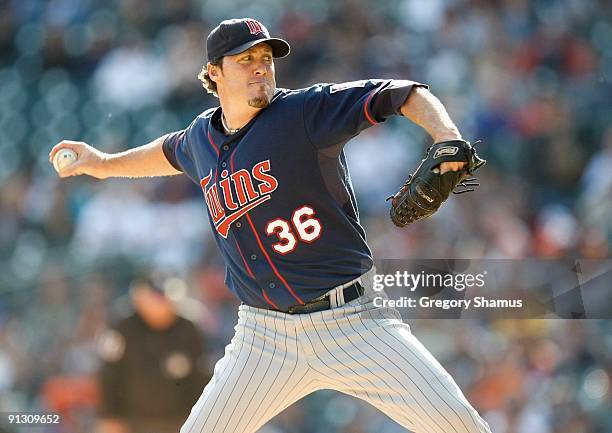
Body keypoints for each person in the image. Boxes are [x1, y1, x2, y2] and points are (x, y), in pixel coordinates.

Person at [51, 17, 492, 433]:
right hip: (263, 338)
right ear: (214, 73)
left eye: (266, 59)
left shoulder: (304, 111)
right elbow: (165, 152)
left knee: (459, 425)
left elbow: (401, 92)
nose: (260, 68)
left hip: (354, 321)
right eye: (245, 60)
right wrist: (104, 164)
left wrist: (447, 136)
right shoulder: (201, 138)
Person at [96, 275, 210, 433]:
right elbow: (108, 374)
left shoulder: (188, 329)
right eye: (153, 300)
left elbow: (200, 374)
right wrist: (109, 416)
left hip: (178, 421)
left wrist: (199, 415)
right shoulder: (122, 327)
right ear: (139, 301)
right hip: (132, 421)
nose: (159, 305)